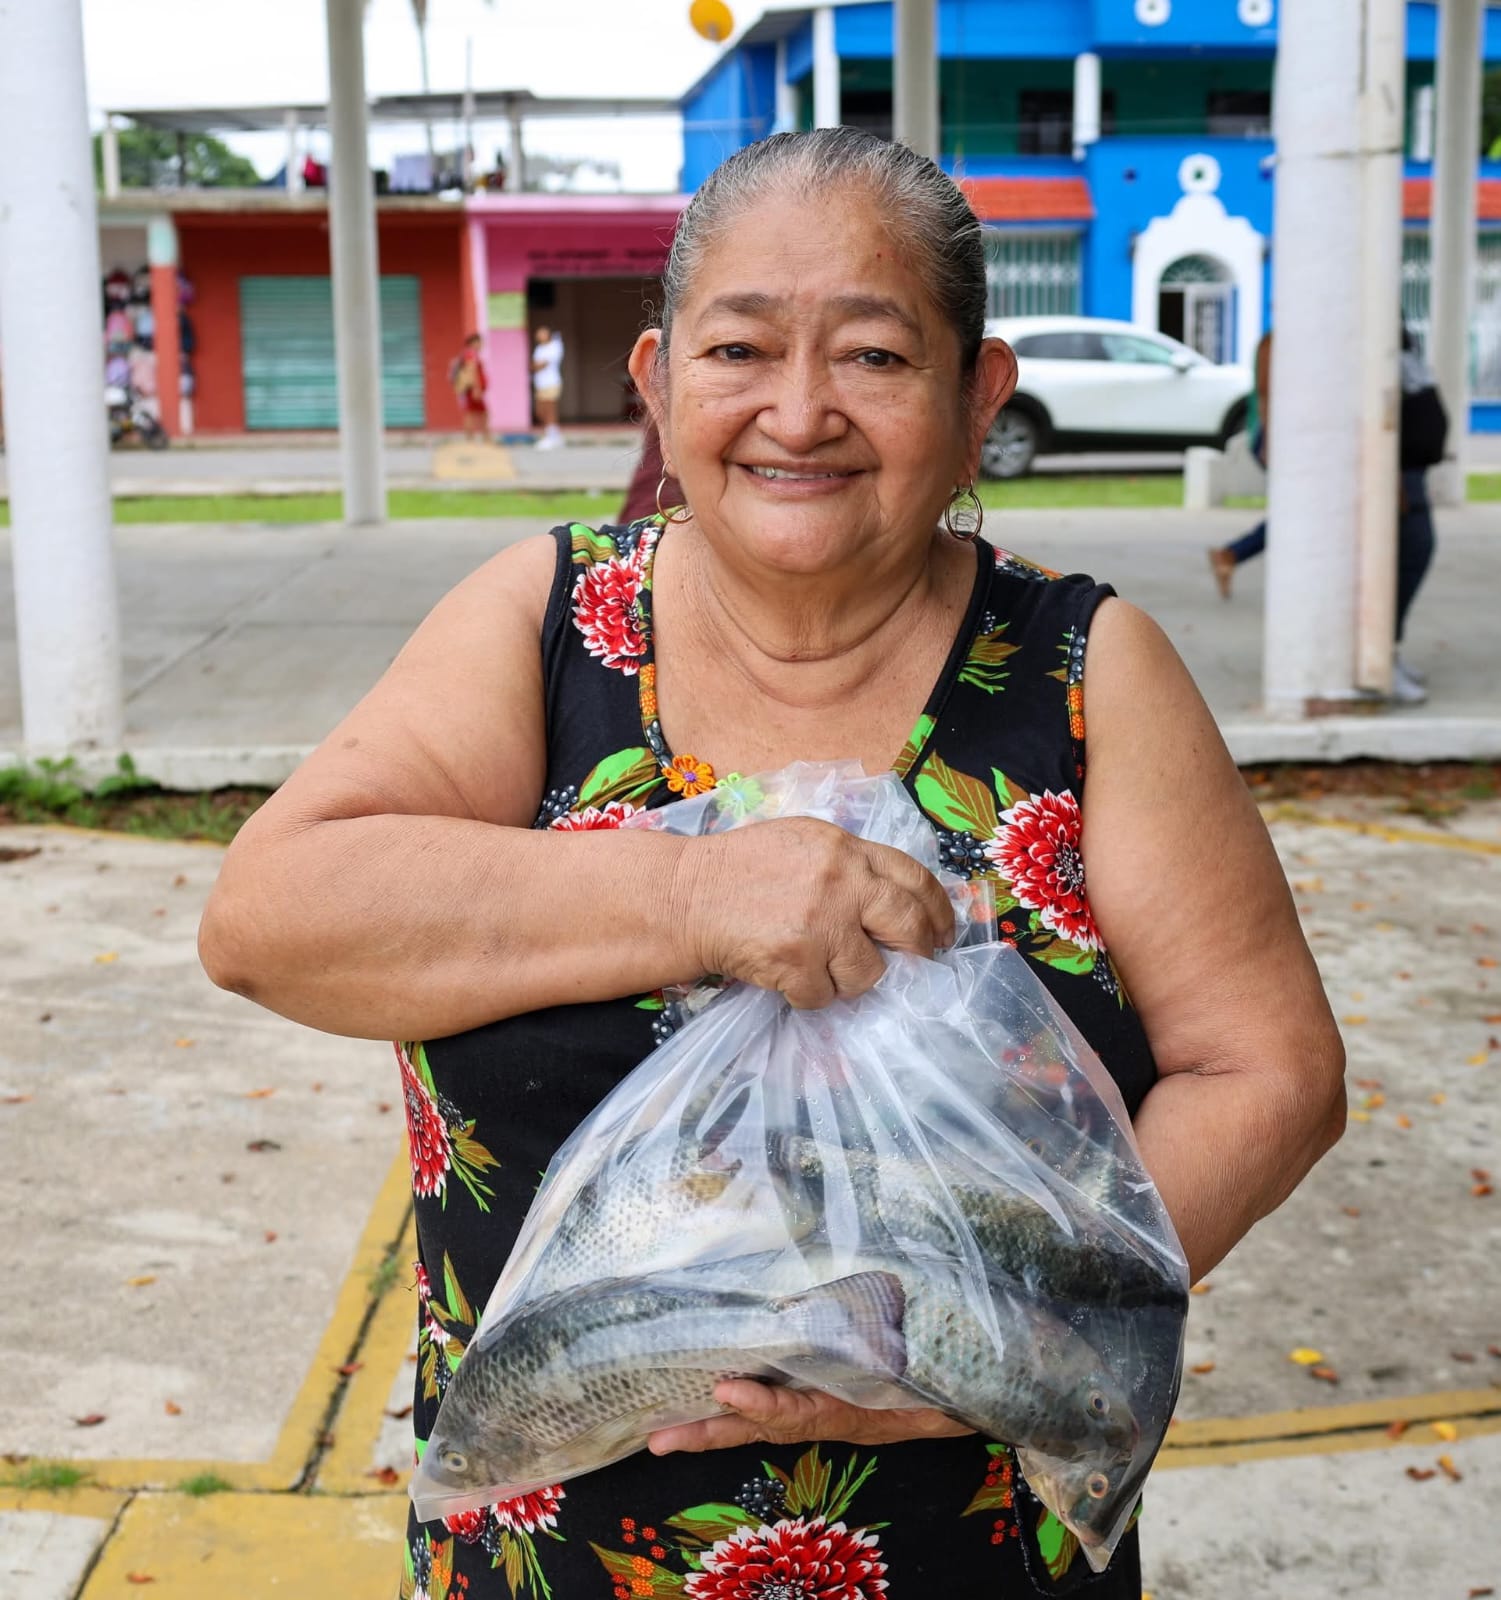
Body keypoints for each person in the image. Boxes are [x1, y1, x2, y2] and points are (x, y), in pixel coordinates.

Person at [199, 128, 1345, 1598]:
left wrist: (989, 1338)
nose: (798, 415)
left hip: (976, 1549)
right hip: (548, 1555)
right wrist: (696, 894)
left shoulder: (1083, 670)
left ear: (978, 395)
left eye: (874, 355)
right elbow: (267, 918)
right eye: (739, 349)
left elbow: (1268, 1071)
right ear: (658, 380)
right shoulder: (546, 624)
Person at [1391, 323, 1448, 705]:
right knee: (1414, 553)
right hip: (1401, 473)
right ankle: (1384, 656)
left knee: (1413, 555)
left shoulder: (1401, 345)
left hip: (1414, 471)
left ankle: (1389, 651)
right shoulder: (1376, 349)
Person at [1208, 328, 1272, 599]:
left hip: (1276, 439)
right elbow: (1267, 393)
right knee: (1295, 514)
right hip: (1274, 440)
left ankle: (1231, 554)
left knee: (1293, 514)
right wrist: (1270, 440)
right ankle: (1231, 554)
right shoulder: (1273, 344)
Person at [449, 333, 490, 441]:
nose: (481, 345)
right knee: (474, 414)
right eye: (479, 342)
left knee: (474, 413)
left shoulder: (468, 354)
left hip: (471, 390)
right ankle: (475, 438)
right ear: (473, 343)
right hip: (472, 390)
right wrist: (476, 388)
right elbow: (472, 370)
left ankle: (475, 438)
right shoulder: (471, 354)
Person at [531, 323, 565, 449]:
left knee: (550, 410)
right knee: (540, 411)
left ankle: (551, 437)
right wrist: (536, 365)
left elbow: (541, 365)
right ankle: (554, 435)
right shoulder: (539, 348)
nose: (540, 336)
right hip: (540, 383)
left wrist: (536, 365)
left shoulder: (555, 346)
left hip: (551, 383)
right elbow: (533, 365)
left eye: (543, 333)